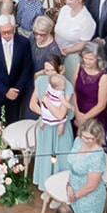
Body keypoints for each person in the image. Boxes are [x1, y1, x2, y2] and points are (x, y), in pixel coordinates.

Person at [0, 14, 34, 130]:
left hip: (15, 93)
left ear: (14, 29)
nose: (7, 35)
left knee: (13, 124)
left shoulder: (23, 43)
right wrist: (5, 90)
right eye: (4, 32)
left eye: (10, 32)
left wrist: (16, 90)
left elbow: (27, 68)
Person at [30, 58, 74, 189]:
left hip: (62, 129)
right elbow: (32, 104)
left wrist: (47, 104)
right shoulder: (41, 81)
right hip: (46, 127)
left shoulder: (66, 85)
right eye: (46, 70)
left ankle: (60, 189)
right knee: (46, 158)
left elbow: (61, 114)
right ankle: (46, 187)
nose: (49, 74)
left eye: (52, 70)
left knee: (61, 160)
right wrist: (47, 115)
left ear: (60, 69)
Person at [65, 119, 107, 213]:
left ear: (98, 137)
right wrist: (69, 186)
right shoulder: (78, 141)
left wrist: (75, 196)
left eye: (90, 138)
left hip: (89, 198)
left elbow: (91, 186)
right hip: (74, 189)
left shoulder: (97, 155)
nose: (86, 140)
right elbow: (73, 166)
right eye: (84, 136)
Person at [55, 0, 97, 78]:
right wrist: (58, 46)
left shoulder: (86, 20)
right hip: (57, 48)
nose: (67, 2)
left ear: (80, 0)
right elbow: (57, 29)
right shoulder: (64, 9)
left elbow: (83, 43)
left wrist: (66, 51)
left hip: (73, 55)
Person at [72, 41, 107, 133]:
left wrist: (84, 118)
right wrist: (77, 113)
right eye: (85, 58)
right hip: (78, 110)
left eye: (91, 59)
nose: (87, 62)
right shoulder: (79, 67)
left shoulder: (103, 77)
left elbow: (101, 105)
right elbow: (74, 90)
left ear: (98, 59)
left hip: (95, 116)